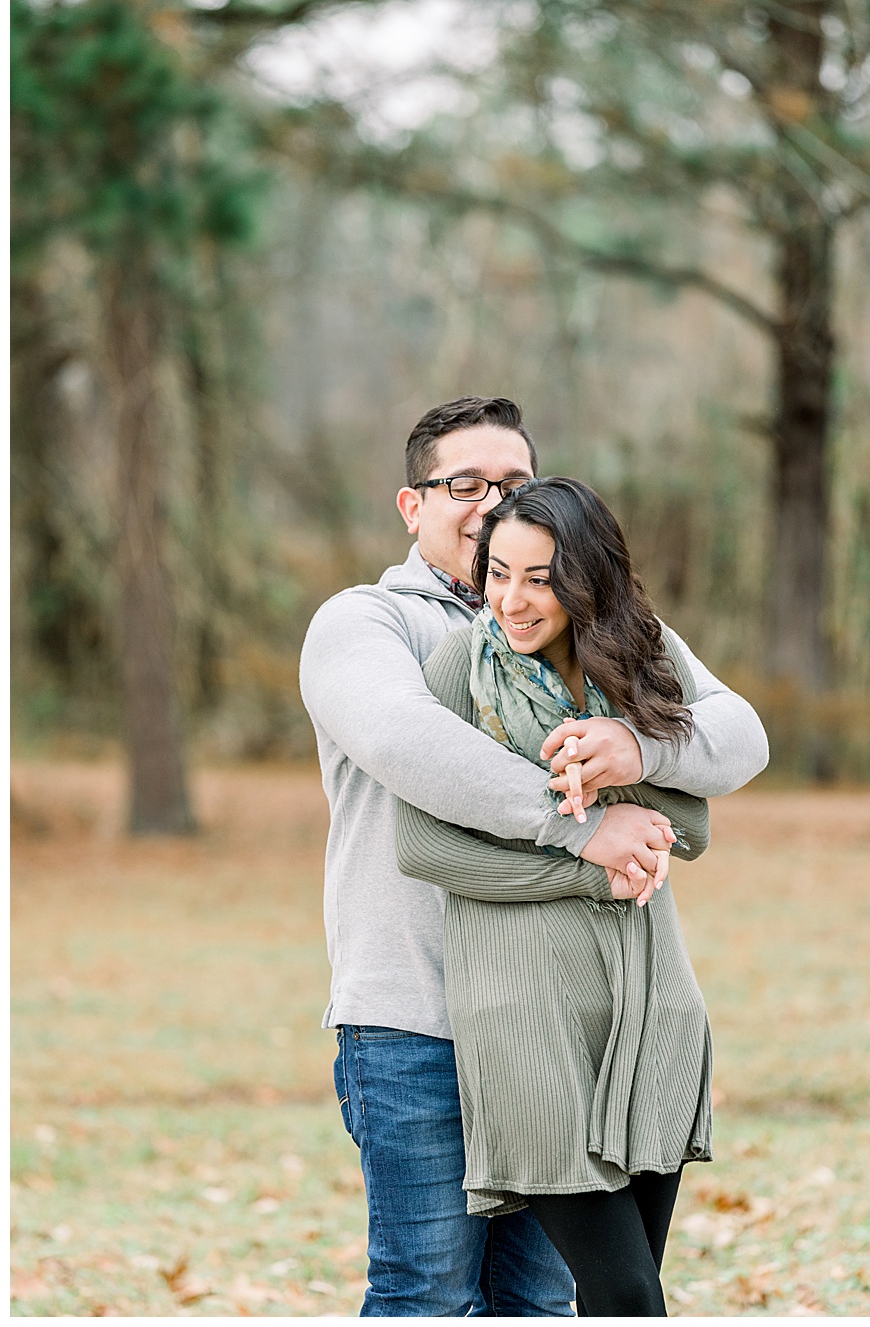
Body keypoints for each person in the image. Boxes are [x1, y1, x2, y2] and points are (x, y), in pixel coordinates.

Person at [299, 396, 767, 1316]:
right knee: (427, 1289)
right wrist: (584, 828)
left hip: (571, 1018)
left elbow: (737, 731)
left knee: (542, 1302)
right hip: (416, 1017)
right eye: (461, 483)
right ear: (412, 504)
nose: (487, 501)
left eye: (510, 482)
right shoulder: (367, 625)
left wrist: (644, 750)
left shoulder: (598, 636)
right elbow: (412, 749)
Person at [392, 476, 723, 1316]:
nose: (511, 599)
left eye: (538, 578)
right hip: (524, 1018)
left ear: (586, 579)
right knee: (625, 1295)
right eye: (498, 573)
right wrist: (585, 863)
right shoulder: (456, 673)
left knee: (632, 1292)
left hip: (651, 1006)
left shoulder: (645, 663)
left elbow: (694, 823)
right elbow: (423, 845)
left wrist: (627, 760)